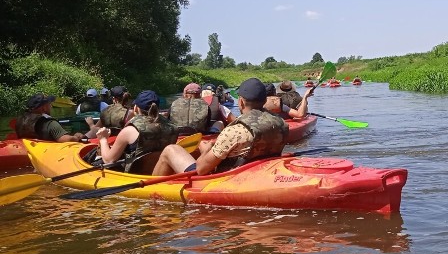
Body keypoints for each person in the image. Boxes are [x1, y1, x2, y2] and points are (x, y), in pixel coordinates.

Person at [152, 78, 304, 176]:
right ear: (264, 100)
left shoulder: (235, 131)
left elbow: (201, 169)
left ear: (241, 102)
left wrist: (208, 149)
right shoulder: (281, 123)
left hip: (226, 178)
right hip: (256, 173)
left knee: (170, 150)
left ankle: (151, 192)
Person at [95, 90, 179, 172]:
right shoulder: (172, 127)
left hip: (135, 174)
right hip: (161, 171)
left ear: (136, 108)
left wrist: (103, 139)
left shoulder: (129, 131)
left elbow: (109, 160)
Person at [15, 93, 91, 142]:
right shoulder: (50, 123)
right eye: (49, 104)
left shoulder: (20, 120)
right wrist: (76, 137)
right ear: (43, 108)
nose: (51, 106)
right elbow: (67, 140)